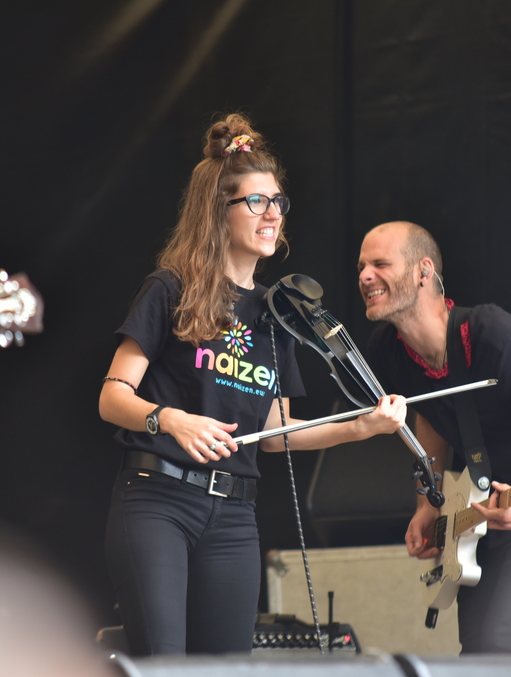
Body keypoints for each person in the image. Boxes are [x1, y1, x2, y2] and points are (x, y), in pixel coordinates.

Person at [99, 115, 408, 656]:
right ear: (218, 211)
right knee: (163, 666)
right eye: (257, 202)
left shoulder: (275, 313)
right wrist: (171, 420)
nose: (273, 214)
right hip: (158, 501)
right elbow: (113, 396)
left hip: (234, 515)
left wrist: (361, 427)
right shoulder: (169, 289)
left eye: (278, 202)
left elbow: (274, 431)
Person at [357, 221, 511, 654]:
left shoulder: (497, 337)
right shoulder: (388, 349)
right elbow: (431, 416)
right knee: (476, 650)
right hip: (492, 506)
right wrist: (426, 503)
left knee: (505, 640)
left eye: (380, 264)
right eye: (361, 266)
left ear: (423, 271)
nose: (364, 276)